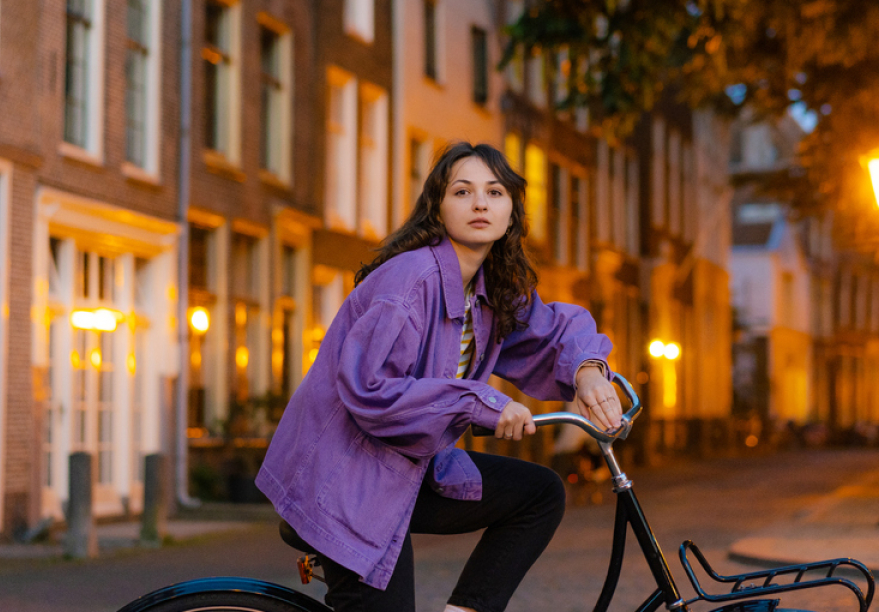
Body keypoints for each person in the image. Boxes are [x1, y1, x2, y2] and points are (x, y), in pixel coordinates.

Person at [257, 142, 623, 612]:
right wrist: (482, 402)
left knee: (540, 494)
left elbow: (553, 332)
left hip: (404, 473)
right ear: (438, 209)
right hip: (345, 484)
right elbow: (372, 391)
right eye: (462, 191)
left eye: (494, 192)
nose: (479, 204)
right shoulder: (408, 282)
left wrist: (589, 374)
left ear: (511, 212)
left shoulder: (491, 289)